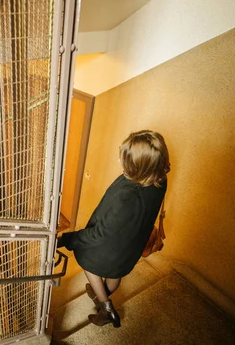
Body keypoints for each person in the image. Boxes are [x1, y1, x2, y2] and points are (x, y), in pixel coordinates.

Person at [56, 130, 170, 327]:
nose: (119, 162)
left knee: (87, 262)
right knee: (115, 273)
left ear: (140, 166)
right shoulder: (160, 179)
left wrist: (67, 239)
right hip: (133, 243)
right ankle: (103, 295)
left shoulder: (127, 197)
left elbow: (99, 233)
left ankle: (106, 307)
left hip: (111, 248)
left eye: (126, 160)